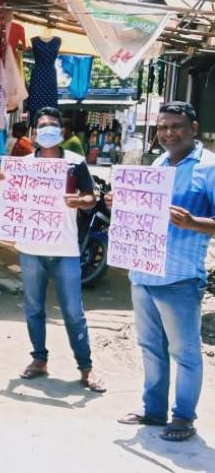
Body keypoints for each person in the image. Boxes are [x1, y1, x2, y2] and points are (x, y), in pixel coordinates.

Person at [112, 102, 215, 442]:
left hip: (180, 278)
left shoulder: (209, 167)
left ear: (194, 127)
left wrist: (192, 222)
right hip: (143, 274)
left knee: (184, 353)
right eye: (163, 127)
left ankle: (183, 417)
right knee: (150, 347)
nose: (169, 133)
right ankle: (154, 410)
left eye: (176, 126)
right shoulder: (156, 163)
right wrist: (121, 202)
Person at [1, 106, 106, 392]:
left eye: (52, 125)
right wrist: (1, 181)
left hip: (65, 250)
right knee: (34, 307)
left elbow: (91, 196)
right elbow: (10, 194)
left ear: (60, 131)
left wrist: (81, 201)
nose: (46, 129)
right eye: (41, 124)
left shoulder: (74, 162)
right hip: (30, 248)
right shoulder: (23, 165)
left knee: (73, 311)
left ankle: (86, 367)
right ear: (34, 132)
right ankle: (39, 359)